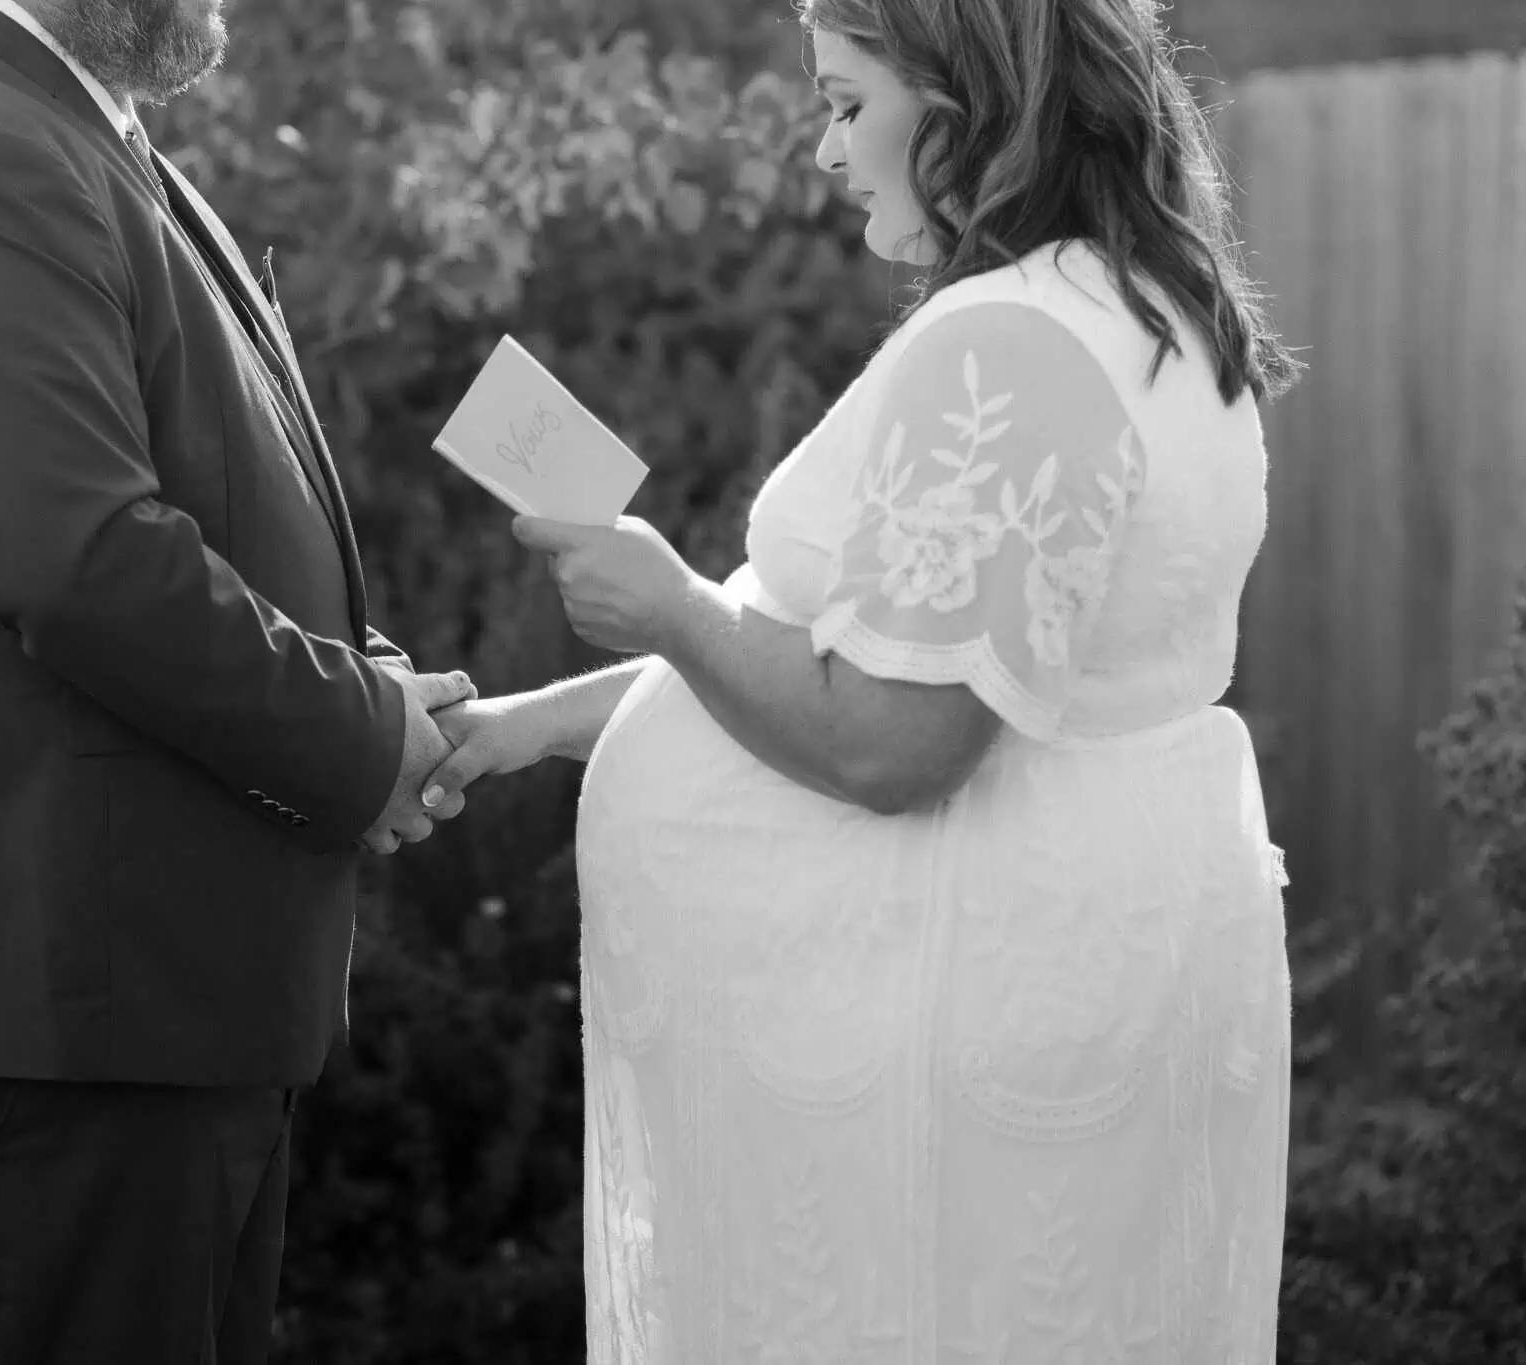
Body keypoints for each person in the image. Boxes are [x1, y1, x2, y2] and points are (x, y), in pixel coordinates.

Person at [423, 0, 1298, 1357]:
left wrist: (669, 608)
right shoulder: (1151, 323)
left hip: (938, 1053)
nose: (825, 150)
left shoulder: (1010, 348)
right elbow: (898, 658)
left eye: (845, 103)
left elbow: (896, 740)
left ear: (964, 98)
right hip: (1050, 994)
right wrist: (526, 729)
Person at [0, 0, 474, 1359]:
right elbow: (78, 561)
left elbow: (191, 502)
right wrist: (355, 742)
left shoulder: (62, 126)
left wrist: (374, 699)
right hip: (50, 1007)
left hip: (130, 1004)